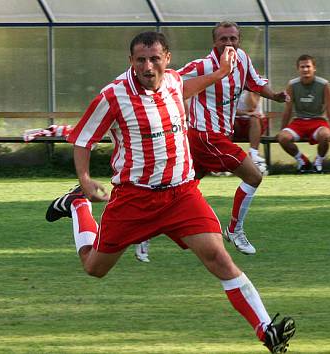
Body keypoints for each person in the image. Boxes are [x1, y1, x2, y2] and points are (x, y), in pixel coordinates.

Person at [45, 31, 295, 353]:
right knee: (95, 268)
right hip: (134, 198)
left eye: (154, 59)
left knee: (218, 257)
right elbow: (83, 139)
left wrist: (219, 74)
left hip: (182, 195)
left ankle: (266, 330)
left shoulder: (174, 81)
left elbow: (187, 86)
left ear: (167, 59)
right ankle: (78, 205)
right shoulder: (113, 96)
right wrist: (84, 180)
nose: (148, 67)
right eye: (140, 60)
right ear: (131, 62)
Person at [177, 21, 289, 255]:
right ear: (214, 42)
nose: (229, 43)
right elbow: (171, 81)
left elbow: (256, 84)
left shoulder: (242, 59)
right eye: (223, 39)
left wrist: (276, 96)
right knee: (254, 176)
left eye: (233, 39)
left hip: (216, 135)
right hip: (207, 136)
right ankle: (235, 229)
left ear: (239, 40)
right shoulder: (204, 66)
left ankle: (144, 234)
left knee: (180, 188)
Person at [277, 54, 330, 173]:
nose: (305, 69)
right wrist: (282, 129)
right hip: (299, 122)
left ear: (314, 68)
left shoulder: (324, 84)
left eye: (308, 66)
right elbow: (288, 109)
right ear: (298, 69)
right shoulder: (292, 85)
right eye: (302, 67)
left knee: (325, 135)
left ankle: (318, 163)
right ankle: (303, 161)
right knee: (283, 138)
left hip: (318, 121)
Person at [233, 90, 269, 175]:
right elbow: (229, 109)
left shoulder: (255, 85)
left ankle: (253, 154)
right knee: (228, 120)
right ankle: (226, 156)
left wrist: (249, 90)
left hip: (255, 123)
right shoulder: (230, 84)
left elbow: (252, 107)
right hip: (237, 123)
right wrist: (246, 113)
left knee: (254, 118)